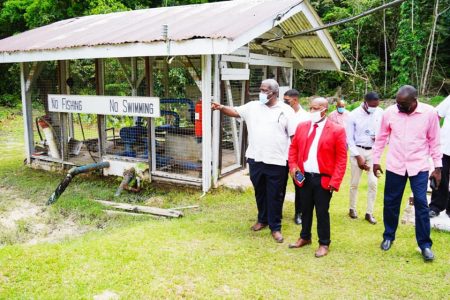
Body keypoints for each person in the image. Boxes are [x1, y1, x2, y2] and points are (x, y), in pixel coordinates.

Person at [211, 79, 294, 243]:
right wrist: (221, 108)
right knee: (260, 192)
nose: (262, 93)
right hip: (256, 158)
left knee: (275, 195)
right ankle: (262, 219)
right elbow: (235, 111)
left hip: (277, 160)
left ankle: (275, 227)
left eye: (266, 91)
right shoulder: (253, 106)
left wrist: (293, 160)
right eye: (261, 90)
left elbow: (293, 136)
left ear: (275, 92)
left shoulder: (286, 111)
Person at [372, 85, 442, 261]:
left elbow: (435, 141)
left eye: (403, 104)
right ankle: (388, 236)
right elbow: (381, 137)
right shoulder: (389, 112)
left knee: (421, 204)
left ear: (414, 100)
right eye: (397, 103)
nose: (399, 107)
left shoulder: (429, 113)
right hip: (395, 165)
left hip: (419, 166)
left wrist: (437, 167)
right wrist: (375, 160)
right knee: (391, 202)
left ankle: (425, 245)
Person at [287, 97, 347, 257]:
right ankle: (305, 237)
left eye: (315, 108)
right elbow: (293, 149)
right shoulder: (302, 127)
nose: (311, 111)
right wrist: (293, 168)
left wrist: (335, 181)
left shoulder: (337, 130)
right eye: (310, 108)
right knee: (305, 209)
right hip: (303, 177)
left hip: (323, 179)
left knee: (322, 211)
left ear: (324, 110)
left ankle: (324, 243)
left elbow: (342, 159)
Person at [346, 92, 383, 224]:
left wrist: (377, 137)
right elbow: (349, 139)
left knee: (373, 183)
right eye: (372, 106)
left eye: (376, 105)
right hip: (358, 150)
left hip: (373, 151)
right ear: (365, 102)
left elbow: (384, 133)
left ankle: (369, 212)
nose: (374, 108)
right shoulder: (353, 115)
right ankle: (352, 208)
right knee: (354, 183)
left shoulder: (380, 112)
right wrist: (358, 157)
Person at [283, 89, 310, 225]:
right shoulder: (281, 112)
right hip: (281, 156)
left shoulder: (305, 117)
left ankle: (299, 212)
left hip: (298, 159)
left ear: (295, 100)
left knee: (300, 184)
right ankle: (276, 211)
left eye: (287, 101)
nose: (284, 103)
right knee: (279, 185)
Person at [429, 95, 450, 218]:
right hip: (446, 146)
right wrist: (433, 133)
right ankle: (435, 207)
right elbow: (436, 115)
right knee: (440, 177)